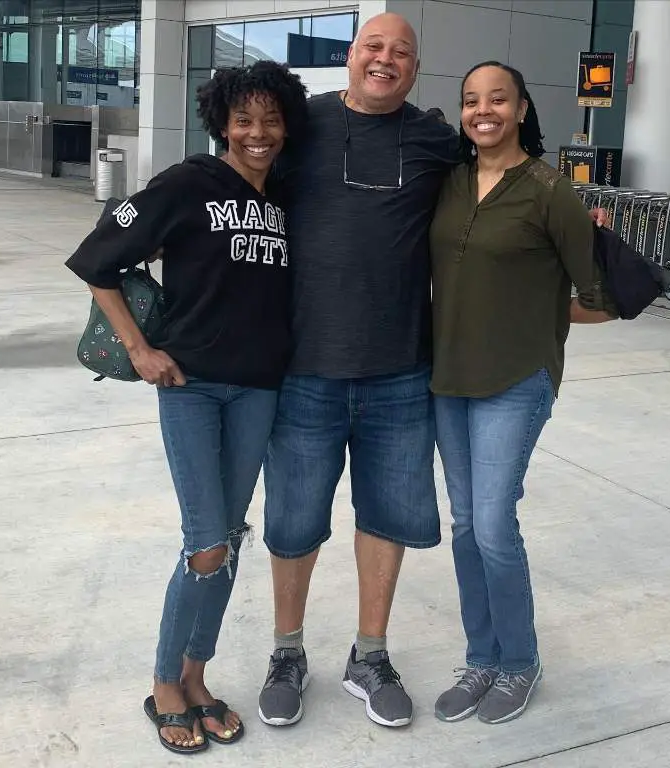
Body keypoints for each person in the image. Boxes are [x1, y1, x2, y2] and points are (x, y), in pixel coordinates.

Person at [65, 62, 308, 754]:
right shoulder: (188, 184)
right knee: (204, 544)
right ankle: (165, 683)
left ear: (286, 125)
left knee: (227, 543)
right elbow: (95, 261)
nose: (256, 133)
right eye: (243, 120)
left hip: (260, 390)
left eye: (270, 120)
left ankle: (197, 680)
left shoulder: (287, 198)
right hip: (192, 388)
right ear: (220, 124)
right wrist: (139, 349)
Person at [257, 13, 459, 729]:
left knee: (387, 518)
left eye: (402, 52)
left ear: (414, 68)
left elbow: (500, 180)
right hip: (305, 371)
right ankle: (287, 652)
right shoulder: (300, 126)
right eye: (374, 46)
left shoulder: (436, 139)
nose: (386, 59)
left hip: (401, 375)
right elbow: (237, 186)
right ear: (350, 55)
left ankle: (369, 654)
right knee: (292, 522)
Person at [429, 61, 616, 726]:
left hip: (515, 381)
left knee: (495, 527)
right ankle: (482, 656)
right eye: (471, 100)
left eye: (498, 99)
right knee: (467, 528)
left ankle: (520, 662)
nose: (484, 111)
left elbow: (600, 299)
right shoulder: (448, 183)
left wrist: (537, 313)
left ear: (522, 108)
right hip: (447, 380)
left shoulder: (549, 191)